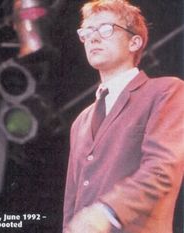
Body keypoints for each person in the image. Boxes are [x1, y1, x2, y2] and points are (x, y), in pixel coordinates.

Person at [63, 0, 184, 233]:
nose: (93, 38)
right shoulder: (80, 122)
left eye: (105, 29)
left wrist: (107, 211)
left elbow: (162, 168)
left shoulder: (166, 91)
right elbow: (72, 203)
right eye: (86, 32)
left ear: (134, 41)